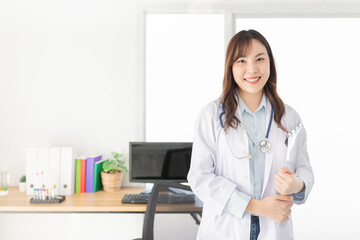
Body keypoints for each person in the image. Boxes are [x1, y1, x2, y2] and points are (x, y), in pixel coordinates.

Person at [187, 29, 314, 240]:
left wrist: (297, 184)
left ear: (270, 63)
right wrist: (257, 207)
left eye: (260, 59)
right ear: (231, 67)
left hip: (274, 228)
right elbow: (200, 177)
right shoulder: (211, 115)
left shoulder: (289, 117)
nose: (252, 69)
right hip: (226, 228)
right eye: (242, 61)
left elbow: (304, 169)